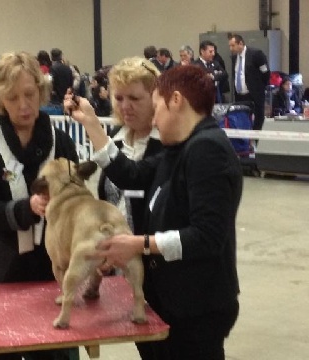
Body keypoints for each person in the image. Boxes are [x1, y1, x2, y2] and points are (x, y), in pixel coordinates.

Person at [65, 65, 242, 360]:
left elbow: (207, 237)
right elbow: (131, 174)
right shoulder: (179, 149)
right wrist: (91, 125)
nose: (155, 118)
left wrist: (139, 244)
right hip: (170, 301)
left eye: (156, 105)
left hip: (197, 307)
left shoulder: (207, 150)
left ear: (176, 101)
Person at [0, 51, 78, 360]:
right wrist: (27, 208)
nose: (23, 105)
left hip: (51, 267)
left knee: (56, 352)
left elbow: (76, 201)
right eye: (12, 97)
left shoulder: (61, 142)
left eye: (29, 94)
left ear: (41, 91)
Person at [97, 57, 162, 236]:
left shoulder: (166, 143)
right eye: (119, 98)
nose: (125, 106)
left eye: (134, 98)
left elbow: (131, 176)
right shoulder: (115, 136)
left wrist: (92, 126)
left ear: (155, 97)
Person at [229, 33, 270, 130]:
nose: (231, 48)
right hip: (240, 96)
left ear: (241, 43)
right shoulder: (234, 58)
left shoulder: (256, 54)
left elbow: (266, 73)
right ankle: (244, 143)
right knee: (242, 121)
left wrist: (260, 88)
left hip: (254, 95)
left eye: (233, 45)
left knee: (257, 121)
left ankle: (256, 142)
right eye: (229, 46)